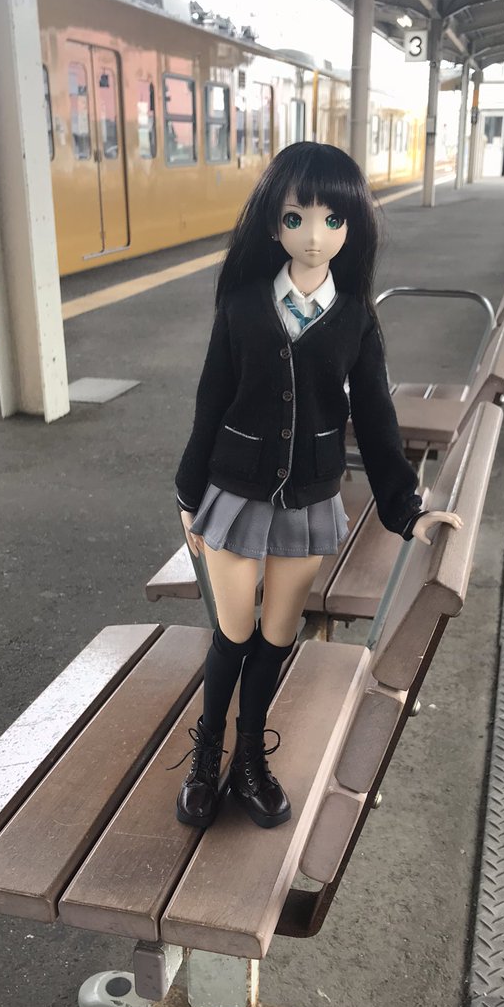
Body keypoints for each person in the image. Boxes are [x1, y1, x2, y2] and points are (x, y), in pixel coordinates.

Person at [172, 142, 462, 831]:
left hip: (308, 499)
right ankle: (206, 758)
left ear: (351, 227)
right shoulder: (242, 304)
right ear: (272, 224)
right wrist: (188, 495)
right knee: (232, 633)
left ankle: (250, 759)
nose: (313, 235)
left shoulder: (356, 318)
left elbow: (378, 418)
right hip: (233, 492)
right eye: (295, 217)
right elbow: (210, 401)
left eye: (332, 220)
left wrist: (407, 509)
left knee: (277, 635)